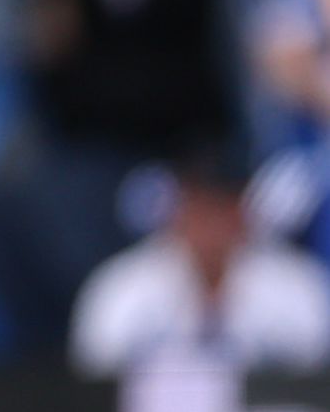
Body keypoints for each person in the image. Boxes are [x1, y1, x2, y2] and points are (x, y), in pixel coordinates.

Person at [70, 147, 330, 373]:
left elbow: (317, 377)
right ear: (178, 208)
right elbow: (95, 382)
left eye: (224, 207)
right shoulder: (124, 287)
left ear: (244, 209)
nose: (212, 223)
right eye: (201, 206)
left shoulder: (298, 285)